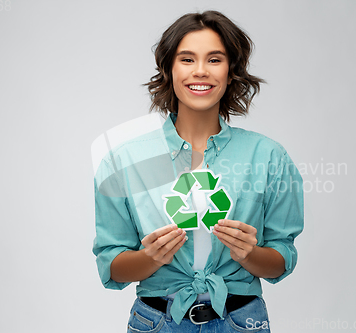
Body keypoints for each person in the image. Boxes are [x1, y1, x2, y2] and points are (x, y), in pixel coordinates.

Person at [92, 10, 304, 332]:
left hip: (241, 321)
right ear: (168, 69)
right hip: (157, 322)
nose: (201, 72)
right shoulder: (123, 162)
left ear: (232, 71)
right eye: (187, 59)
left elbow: (281, 259)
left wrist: (250, 254)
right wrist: (151, 257)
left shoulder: (269, 156)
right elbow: (112, 265)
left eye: (215, 60)